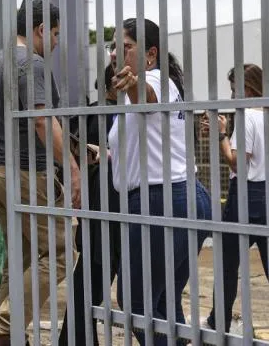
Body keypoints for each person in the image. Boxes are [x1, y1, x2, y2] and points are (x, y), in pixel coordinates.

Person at [0, 0, 81, 346]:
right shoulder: (30, 64)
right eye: (54, 34)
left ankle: (8, 338)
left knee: (18, 259)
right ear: (39, 30)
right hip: (26, 174)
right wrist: (72, 168)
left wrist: (80, 149)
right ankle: (2, 324)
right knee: (63, 254)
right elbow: (40, 120)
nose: (54, 43)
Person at [107, 18, 211, 346]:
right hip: (182, 196)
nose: (114, 54)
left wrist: (133, 83)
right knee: (163, 302)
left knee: (135, 303)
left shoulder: (155, 80)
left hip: (161, 200)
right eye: (113, 47)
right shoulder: (154, 86)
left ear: (150, 54)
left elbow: (147, 95)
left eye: (125, 47)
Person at [56, 61, 121, 346]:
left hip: (93, 210)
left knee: (90, 282)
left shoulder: (90, 115)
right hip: (109, 211)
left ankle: (73, 339)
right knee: (93, 284)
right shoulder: (113, 116)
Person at [203, 64, 268, 331]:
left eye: (234, 90)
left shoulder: (247, 117)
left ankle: (220, 321)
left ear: (247, 88)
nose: (232, 97)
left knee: (227, 264)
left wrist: (221, 135)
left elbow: (236, 163)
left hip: (246, 194)